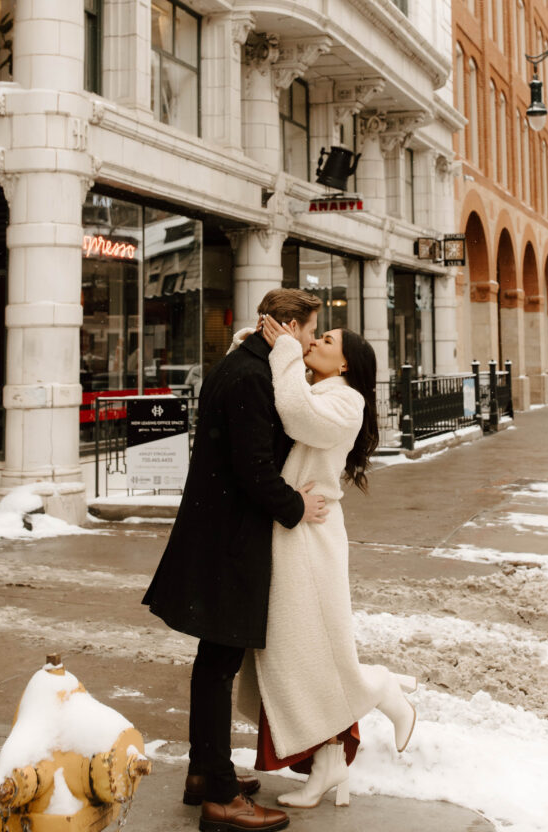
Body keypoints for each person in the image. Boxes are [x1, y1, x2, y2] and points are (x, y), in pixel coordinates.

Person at [142, 288, 327, 832]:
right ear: (288, 327)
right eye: (311, 330)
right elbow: (253, 466)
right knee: (218, 665)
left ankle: (206, 774)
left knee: (214, 663)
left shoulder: (242, 363)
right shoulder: (250, 376)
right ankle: (221, 799)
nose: (314, 341)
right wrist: (297, 505)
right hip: (229, 541)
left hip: (217, 533)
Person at [234, 314, 417, 810]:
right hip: (296, 527)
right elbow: (277, 397)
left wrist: (287, 351)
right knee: (298, 649)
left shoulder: (346, 399)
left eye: (328, 340)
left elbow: (295, 416)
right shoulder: (319, 389)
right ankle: (328, 762)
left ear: (346, 363)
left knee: (307, 647)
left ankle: (377, 687)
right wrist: (259, 342)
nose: (315, 340)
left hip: (312, 537)